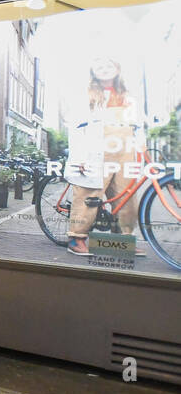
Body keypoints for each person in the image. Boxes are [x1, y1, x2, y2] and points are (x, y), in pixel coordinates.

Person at [67, 56, 145, 258]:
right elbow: (76, 127)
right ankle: (77, 238)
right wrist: (80, 156)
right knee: (89, 195)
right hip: (96, 151)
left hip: (124, 151)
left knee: (126, 196)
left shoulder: (129, 97)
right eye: (99, 66)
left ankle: (121, 241)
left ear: (117, 68)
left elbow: (138, 128)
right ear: (93, 71)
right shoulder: (87, 95)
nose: (104, 69)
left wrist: (140, 153)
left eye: (108, 65)